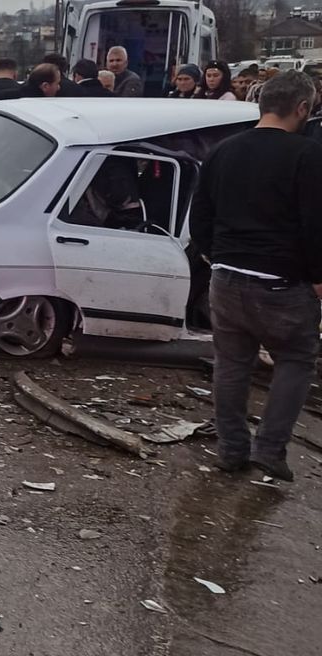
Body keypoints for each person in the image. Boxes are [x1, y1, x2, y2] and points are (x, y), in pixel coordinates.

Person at [190, 71, 322, 481]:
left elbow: (200, 215)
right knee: (296, 359)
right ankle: (270, 449)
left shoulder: (222, 150)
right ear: (302, 108)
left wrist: (215, 256)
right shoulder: (309, 155)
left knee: (231, 364)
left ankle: (231, 450)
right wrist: (319, 276)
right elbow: (315, 223)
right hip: (284, 282)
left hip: (226, 278)